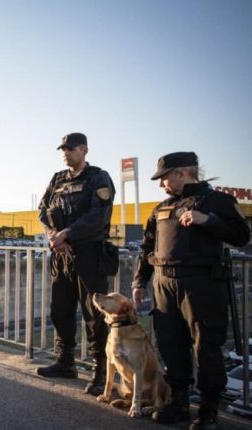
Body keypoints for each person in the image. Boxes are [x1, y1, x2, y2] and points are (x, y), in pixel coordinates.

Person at [132, 152, 250, 429]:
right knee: (171, 345)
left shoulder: (218, 201)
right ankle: (179, 402)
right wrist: (139, 281)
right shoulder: (161, 208)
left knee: (206, 347)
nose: (161, 184)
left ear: (182, 172)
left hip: (201, 285)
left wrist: (207, 220)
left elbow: (242, 236)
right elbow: (147, 248)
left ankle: (208, 411)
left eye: (164, 178)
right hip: (164, 283)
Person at [35, 132, 115, 396]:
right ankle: (65, 362)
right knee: (60, 310)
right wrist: (53, 236)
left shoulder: (98, 177)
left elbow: (98, 215)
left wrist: (67, 233)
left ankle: (100, 371)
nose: (66, 153)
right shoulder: (57, 179)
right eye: (63, 149)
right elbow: (42, 210)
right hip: (61, 255)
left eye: (71, 149)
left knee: (95, 315)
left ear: (84, 150)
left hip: (89, 254)